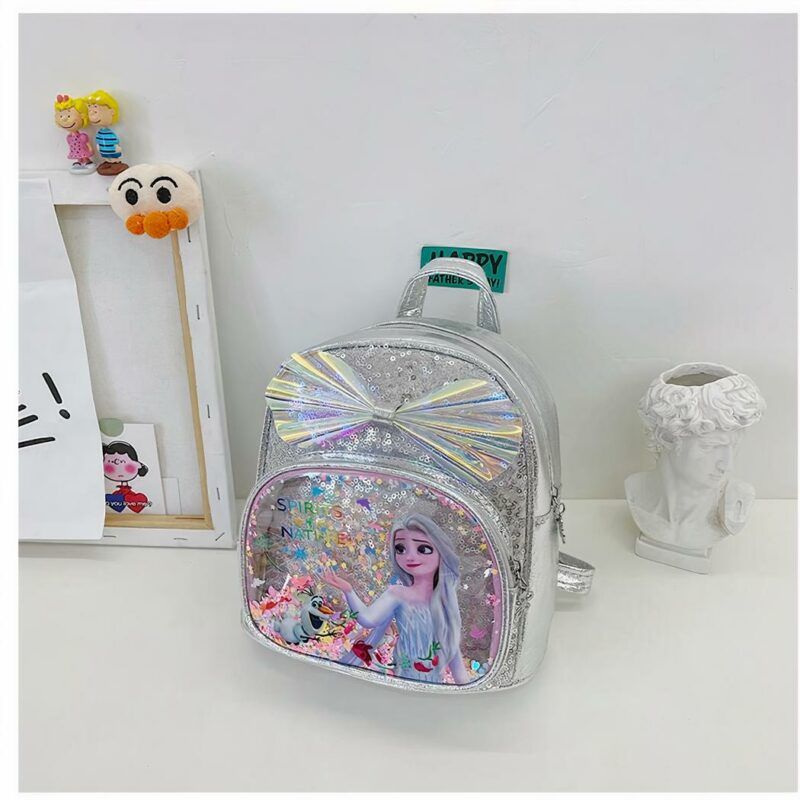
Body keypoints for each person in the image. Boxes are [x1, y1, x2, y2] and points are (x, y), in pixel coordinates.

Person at [626, 363, 765, 557]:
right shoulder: (635, 490)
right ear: (667, 438)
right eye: (710, 447)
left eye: (732, 447)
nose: (727, 465)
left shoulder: (736, 501)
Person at [322, 512, 469, 684]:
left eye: (423, 549)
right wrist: (349, 591)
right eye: (401, 549)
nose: (410, 557)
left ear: (441, 553)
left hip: (433, 685)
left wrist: (465, 688)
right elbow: (368, 619)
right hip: (404, 679)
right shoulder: (397, 593)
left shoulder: (445, 602)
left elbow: (453, 652)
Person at [86, 90, 129, 176]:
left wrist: (117, 148)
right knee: (106, 158)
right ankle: (108, 162)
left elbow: (115, 141)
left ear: (111, 112)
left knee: (113, 158)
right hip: (104, 152)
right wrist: (99, 147)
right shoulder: (100, 133)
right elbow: (98, 141)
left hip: (113, 151)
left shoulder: (111, 133)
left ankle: (115, 163)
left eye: (95, 112)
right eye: (90, 112)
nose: (92, 115)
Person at [53, 95, 95, 174]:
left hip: (83, 150)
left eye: (69, 116)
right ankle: (79, 161)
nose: (64, 119)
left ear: (82, 116)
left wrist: (90, 149)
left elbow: (87, 143)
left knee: (84, 155)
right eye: (61, 116)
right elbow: (70, 145)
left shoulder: (82, 136)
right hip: (75, 151)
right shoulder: (69, 137)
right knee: (78, 156)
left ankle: (87, 160)